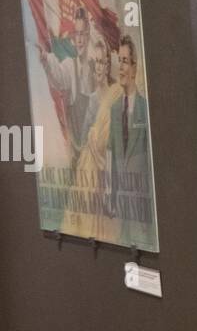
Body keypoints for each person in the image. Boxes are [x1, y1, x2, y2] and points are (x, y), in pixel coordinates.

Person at [61, 34, 122, 240]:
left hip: (111, 167)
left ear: (107, 65)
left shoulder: (116, 94)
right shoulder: (92, 100)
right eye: (95, 62)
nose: (99, 67)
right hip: (91, 171)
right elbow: (84, 138)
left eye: (102, 62)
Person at [107, 34, 152, 246]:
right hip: (122, 209)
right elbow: (111, 154)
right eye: (119, 62)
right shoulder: (115, 109)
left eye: (125, 62)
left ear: (134, 68)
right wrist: (111, 195)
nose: (121, 68)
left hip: (144, 210)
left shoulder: (146, 108)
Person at [40, 5, 95, 163]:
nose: (79, 39)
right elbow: (57, 77)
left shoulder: (96, 68)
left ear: (88, 35)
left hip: (97, 156)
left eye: (82, 34)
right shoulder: (70, 66)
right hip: (78, 156)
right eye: (76, 34)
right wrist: (46, 58)